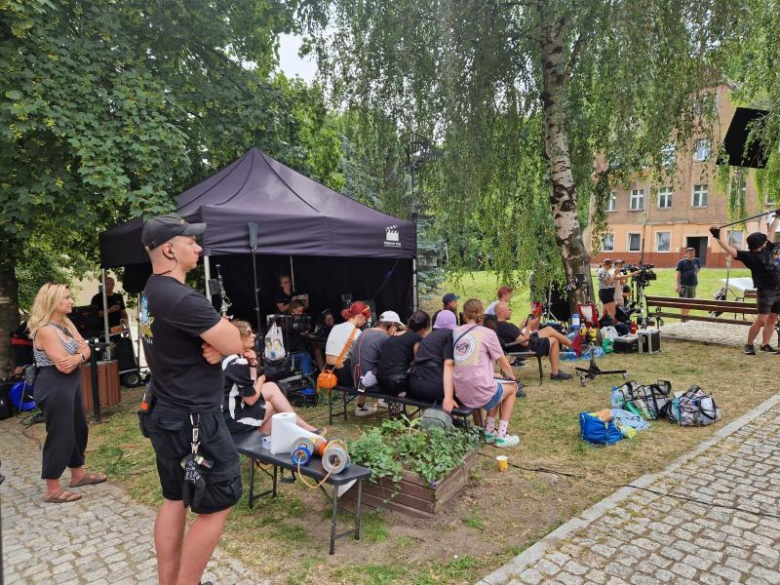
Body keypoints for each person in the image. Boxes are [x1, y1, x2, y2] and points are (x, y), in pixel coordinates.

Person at [139, 214, 246, 585]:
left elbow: (208, 345)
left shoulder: (151, 291)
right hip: (194, 418)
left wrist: (215, 346)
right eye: (191, 242)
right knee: (220, 499)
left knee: (173, 497)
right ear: (169, 248)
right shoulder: (182, 298)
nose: (198, 249)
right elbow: (235, 342)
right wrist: (221, 344)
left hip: (164, 409)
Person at [28, 283, 106, 503]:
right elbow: (64, 365)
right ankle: (52, 489)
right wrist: (80, 356)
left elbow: (87, 348)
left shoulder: (67, 323)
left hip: (71, 383)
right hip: (53, 383)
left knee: (79, 427)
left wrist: (78, 356)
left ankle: (78, 474)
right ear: (52, 302)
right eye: (67, 298)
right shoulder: (46, 330)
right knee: (61, 433)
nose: (72, 301)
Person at [222, 321, 320, 435]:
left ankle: (301, 428)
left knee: (271, 388)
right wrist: (260, 381)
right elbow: (250, 399)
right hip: (232, 421)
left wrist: (252, 364)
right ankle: (302, 428)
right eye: (249, 333)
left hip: (230, 413)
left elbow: (250, 388)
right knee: (275, 404)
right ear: (238, 337)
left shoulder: (234, 357)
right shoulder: (237, 361)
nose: (254, 335)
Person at [446, 298, 520, 448]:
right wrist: (512, 378)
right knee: (512, 389)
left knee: (496, 385)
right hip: (479, 392)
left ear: (464, 315)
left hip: (461, 392)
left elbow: (469, 363)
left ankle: (489, 430)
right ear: (482, 314)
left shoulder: (456, 332)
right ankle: (502, 435)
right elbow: (503, 361)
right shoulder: (487, 333)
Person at [711, 216, 780, 355]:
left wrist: (777, 216)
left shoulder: (767, 249)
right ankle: (748, 345)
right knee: (762, 320)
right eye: (764, 240)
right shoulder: (748, 256)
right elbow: (729, 249)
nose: (767, 240)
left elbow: (771, 230)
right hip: (765, 292)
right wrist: (717, 237)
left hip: (778, 289)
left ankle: (765, 344)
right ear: (758, 245)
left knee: (773, 318)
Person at [494, 302, 573, 381]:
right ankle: (556, 373)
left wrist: (522, 326)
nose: (510, 311)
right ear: (502, 312)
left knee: (549, 329)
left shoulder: (497, 325)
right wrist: (529, 326)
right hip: (527, 347)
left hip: (517, 345)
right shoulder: (506, 326)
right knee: (554, 340)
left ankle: (573, 345)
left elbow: (516, 337)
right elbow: (525, 343)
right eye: (509, 310)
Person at [325, 301, 375, 416]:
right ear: (359, 316)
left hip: (330, 371)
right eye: (365, 319)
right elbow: (361, 356)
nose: (364, 322)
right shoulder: (356, 332)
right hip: (342, 373)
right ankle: (361, 407)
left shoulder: (336, 327)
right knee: (367, 375)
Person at [377, 311, 430, 396]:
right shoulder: (416, 338)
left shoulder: (394, 335)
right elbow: (419, 362)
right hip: (397, 383)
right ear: (424, 328)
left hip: (381, 382)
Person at [408, 309, 456, 403]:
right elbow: (449, 364)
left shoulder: (428, 337)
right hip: (434, 387)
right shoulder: (450, 335)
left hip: (414, 385)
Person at [352, 310, 403, 393]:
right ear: (393, 325)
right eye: (397, 327)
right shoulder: (385, 337)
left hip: (358, 383)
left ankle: (361, 405)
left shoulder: (365, 331)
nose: (396, 330)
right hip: (369, 386)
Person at [284, 300, 314, 375]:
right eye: (298, 311)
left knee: (310, 353)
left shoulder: (300, 318)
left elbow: (307, 327)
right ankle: (307, 378)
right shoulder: (287, 319)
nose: (300, 313)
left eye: (301, 311)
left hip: (299, 349)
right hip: (290, 352)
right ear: (293, 309)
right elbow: (295, 328)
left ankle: (309, 375)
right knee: (305, 357)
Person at [675, 247, 701, 320]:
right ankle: (683, 317)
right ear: (686, 254)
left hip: (693, 284)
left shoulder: (697, 260)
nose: (692, 255)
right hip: (683, 285)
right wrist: (677, 285)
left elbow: (698, 269)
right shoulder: (681, 262)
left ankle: (686, 316)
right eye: (690, 253)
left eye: (693, 253)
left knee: (690, 302)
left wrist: (693, 274)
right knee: (684, 302)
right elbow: (678, 274)